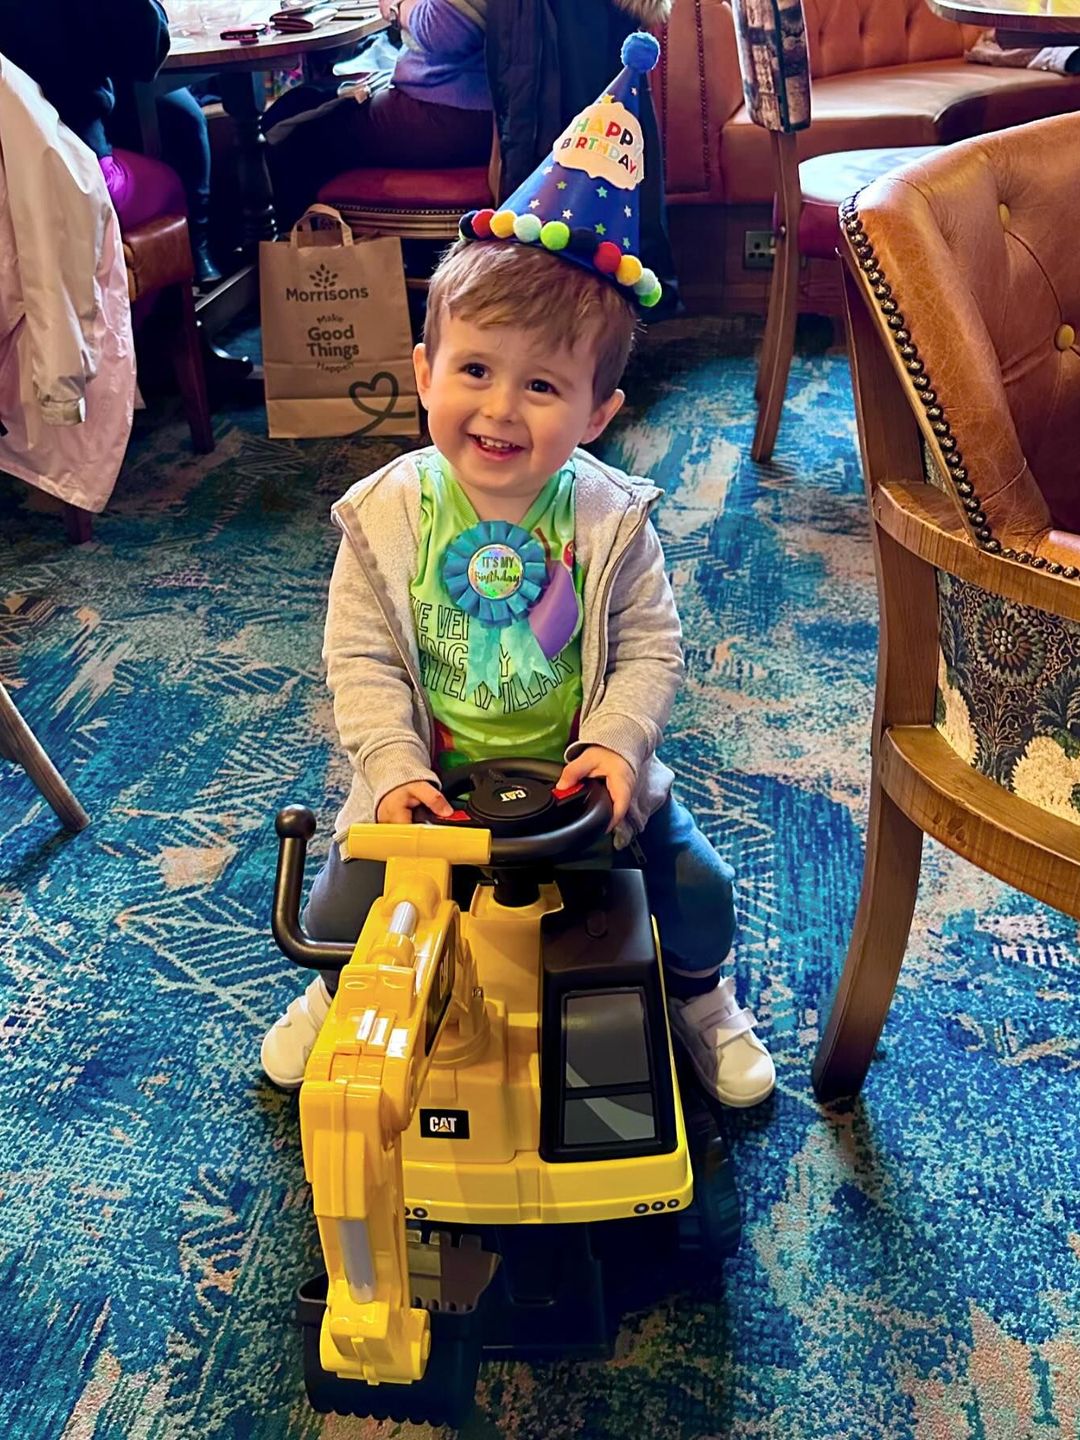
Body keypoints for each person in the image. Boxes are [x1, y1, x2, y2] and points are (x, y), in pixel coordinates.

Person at [260, 34, 774, 1109]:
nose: (499, 409)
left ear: (598, 413)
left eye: (543, 388)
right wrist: (394, 768)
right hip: (430, 786)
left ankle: (701, 998)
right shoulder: (386, 516)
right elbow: (359, 656)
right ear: (423, 372)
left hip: (581, 787)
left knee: (696, 887)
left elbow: (648, 648)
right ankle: (339, 993)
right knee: (348, 904)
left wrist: (618, 745)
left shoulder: (611, 522)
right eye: (476, 371)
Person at [0, 0, 220, 287]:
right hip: (70, 164)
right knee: (171, 176)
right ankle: (163, 312)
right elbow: (147, 46)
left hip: (13, 160)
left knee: (180, 115)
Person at [263, 0, 493, 228]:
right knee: (300, 106)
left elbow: (445, 29)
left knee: (290, 133)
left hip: (452, 112)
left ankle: (305, 258)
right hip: (468, 107)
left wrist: (398, 7)